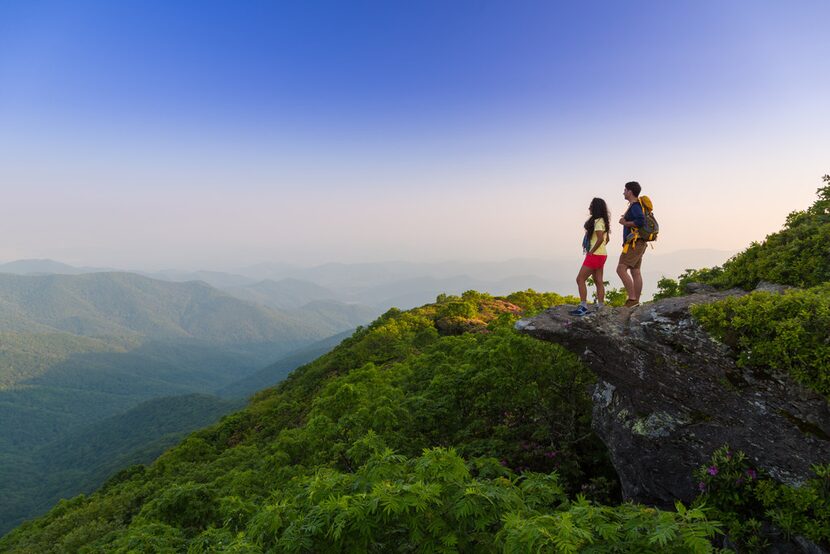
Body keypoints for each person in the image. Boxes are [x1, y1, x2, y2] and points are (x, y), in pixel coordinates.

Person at [569, 197, 610, 316]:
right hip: (602, 254)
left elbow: (601, 238)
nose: (589, 208)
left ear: (595, 207)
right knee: (598, 281)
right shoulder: (603, 221)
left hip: (595, 255)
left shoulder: (598, 221)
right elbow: (607, 239)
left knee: (580, 279)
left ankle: (583, 306)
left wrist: (591, 251)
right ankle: (600, 306)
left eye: (591, 206)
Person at [616, 181, 647, 308]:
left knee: (621, 269)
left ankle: (632, 299)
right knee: (635, 271)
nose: (623, 192)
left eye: (625, 190)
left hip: (634, 243)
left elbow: (640, 221)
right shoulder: (637, 205)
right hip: (639, 242)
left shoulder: (635, 206)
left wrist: (624, 222)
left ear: (630, 191)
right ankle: (636, 302)